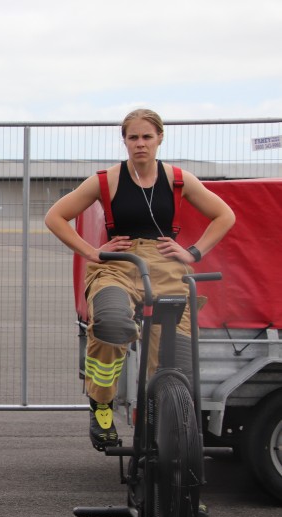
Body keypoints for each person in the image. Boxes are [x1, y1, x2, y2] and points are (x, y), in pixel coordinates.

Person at [44, 109, 235, 451]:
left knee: (177, 362)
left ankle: (166, 436)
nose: (140, 144)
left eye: (147, 137)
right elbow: (55, 216)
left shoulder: (179, 179)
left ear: (160, 138)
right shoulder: (107, 180)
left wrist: (194, 252)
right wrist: (92, 252)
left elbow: (225, 215)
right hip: (117, 264)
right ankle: (101, 404)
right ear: (125, 141)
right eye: (133, 137)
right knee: (112, 325)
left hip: (166, 268)